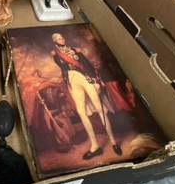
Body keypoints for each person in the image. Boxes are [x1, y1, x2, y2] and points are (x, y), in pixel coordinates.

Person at [50, 32, 122, 160]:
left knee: (100, 109)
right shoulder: (56, 54)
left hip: (86, 79)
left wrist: (96, 82)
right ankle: (95, 146)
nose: (62, 39)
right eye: (59, 38)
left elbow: (88, 65)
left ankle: (113, 142)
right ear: (55, 41)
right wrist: (56, 54)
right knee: (81, 112)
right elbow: (62, 66)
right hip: (72, 81)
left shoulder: (75, 50)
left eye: (62, 37)